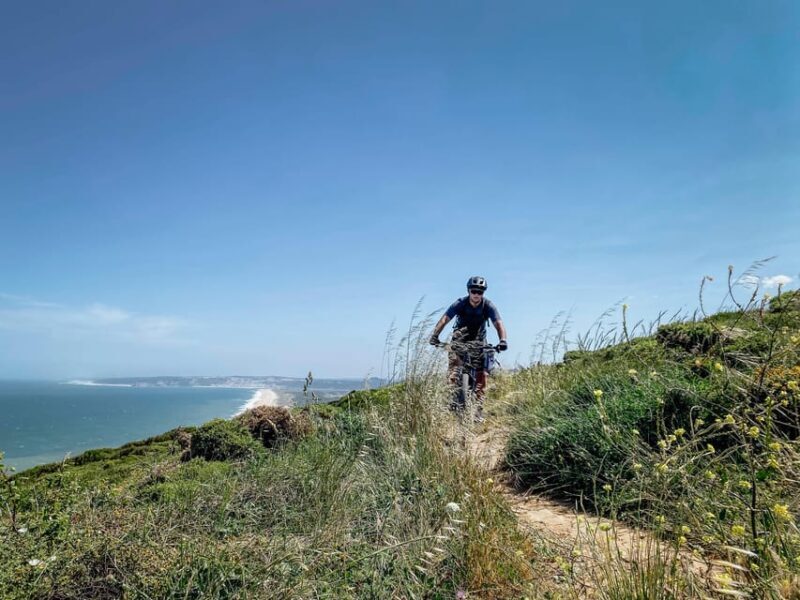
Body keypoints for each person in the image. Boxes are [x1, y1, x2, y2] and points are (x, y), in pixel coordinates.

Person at [429, 276, 507, 419]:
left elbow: (498, 323)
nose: (477, 294)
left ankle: (478, 409)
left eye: (480, 292)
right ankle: (452, 399)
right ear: (469, 291)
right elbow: (445, 319)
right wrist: (435, 335)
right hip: (459, 339)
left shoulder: (488, 306)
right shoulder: (460, 303)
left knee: (482, 374)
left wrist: (503, 340)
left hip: (479, 341)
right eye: (474, 291)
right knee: (454, 369)